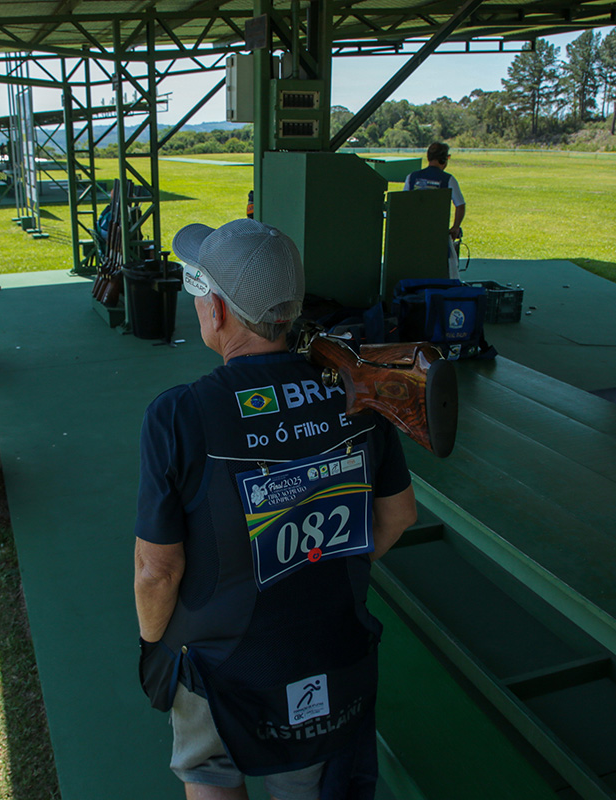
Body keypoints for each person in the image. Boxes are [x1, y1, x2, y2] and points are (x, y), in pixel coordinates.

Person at [134, 218, 417, 800]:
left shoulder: (180, 414)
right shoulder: (356, 390)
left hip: (218, 663)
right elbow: (399, 515)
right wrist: (324, 564)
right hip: (331, 649)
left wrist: (153, 644)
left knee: (209, 774)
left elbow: (156, 571)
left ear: (216, 310)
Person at [404, 142, 466, 279]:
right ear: (444, 159)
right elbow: (460, 205)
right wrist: (455, 227)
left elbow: (403, 204)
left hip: (414, 233)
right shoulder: (448, 179)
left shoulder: (411, 177)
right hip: (438, 234)